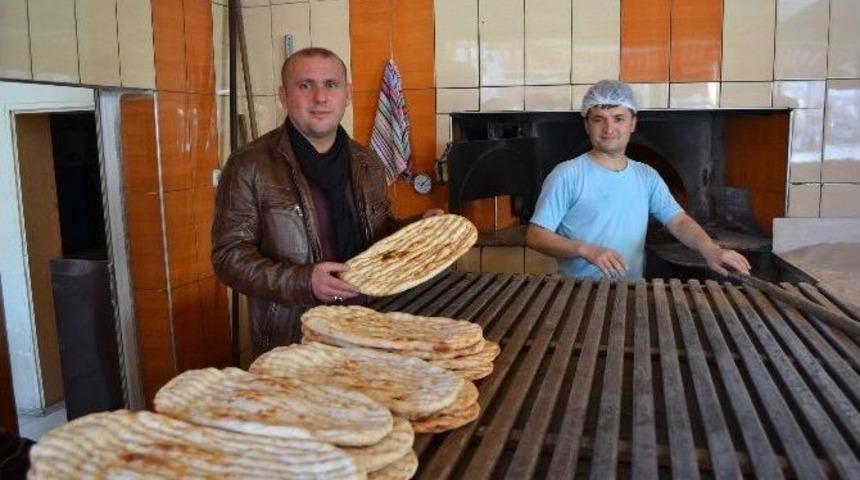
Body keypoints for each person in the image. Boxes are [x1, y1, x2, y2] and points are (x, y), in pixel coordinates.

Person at [212, 47, 440, 354]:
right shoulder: (249, 165)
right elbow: (229, 257)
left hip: (370, 327)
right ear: (284, 95)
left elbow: (379, 236)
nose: (320, 97)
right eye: (305, 85)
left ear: (346, 94)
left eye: (331, 85)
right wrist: (303, 281)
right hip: (295, 338)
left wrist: (419, 228)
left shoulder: (367, 161)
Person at [526, 80, 750, 280]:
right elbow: (536, 236)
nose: (609, 129)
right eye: (598, 120)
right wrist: (586, 250)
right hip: (578, 293)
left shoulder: (647, 175)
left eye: (618, 119)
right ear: (587, 125)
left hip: (630, 291)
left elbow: (678, 221)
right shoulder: (567, 174)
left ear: (632, 123)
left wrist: (711, 250)